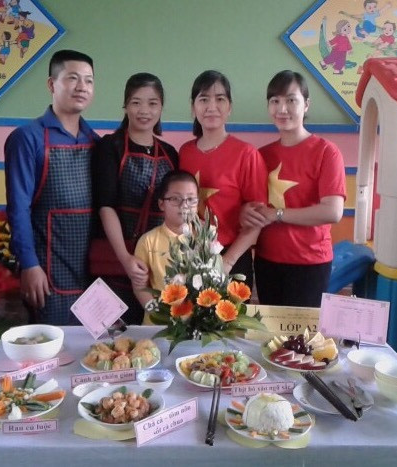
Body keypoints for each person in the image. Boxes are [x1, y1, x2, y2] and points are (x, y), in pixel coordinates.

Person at [4, 49, 97, 324]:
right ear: (51, 84)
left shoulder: (96, 142)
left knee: (97, 345)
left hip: (91, 270)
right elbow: (18, 209)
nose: (82, 87)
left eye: (89, 80)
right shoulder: (27, 139)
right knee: (53, 343)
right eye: (72, 78)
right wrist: (30, 265)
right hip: (47, 269)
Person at [246, 70, 346, 307]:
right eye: (275, 101)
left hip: (310, 263)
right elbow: (253, 206)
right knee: (271, 329)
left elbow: (332, 211)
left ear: (306, 104)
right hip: (267, 260)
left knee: (303, 330)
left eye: (291, 100)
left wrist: (277, 214)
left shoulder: (326, 152)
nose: (282, 109)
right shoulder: (261, 155)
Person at [92, 73, 178, 324]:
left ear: (161, 107)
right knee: (112, 335)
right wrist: (126, 258)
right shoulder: (110, 146)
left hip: (157, 262)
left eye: (152, 103)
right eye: (136, 102)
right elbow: (106, 206)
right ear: (125, 106)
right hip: (115, 260)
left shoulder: (171, 153)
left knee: (157, 332)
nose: (144, 111)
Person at [179, 70, 267, 292]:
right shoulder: (184, 152)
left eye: (220, 99)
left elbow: (257, 220)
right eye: (203, 99)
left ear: (230, 107)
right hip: (190, 258)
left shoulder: (246, 154)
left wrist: (226, 263)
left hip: (232, 259)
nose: (212, 106)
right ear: (193, 107)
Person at [133, 170, 199, 309]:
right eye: (175, 199)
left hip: (198, 318)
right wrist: (158, 314)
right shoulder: (148, 241)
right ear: (161, 204)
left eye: (191, 199)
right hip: (161, 318)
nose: (184, 205)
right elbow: (140, 287)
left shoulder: (205, 237)